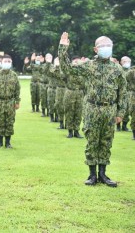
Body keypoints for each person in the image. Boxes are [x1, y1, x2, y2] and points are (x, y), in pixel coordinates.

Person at [58, 32, 127, 187]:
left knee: (106, 141)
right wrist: (63, 48)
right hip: (92, 107)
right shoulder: (89, 66)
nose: (106, 48)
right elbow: (67, 69)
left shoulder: (117, 69)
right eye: (102, 46)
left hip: (109, 109)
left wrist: (120, 113)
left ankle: (103, 174)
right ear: (95, 49)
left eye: (108, 45)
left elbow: (122, 93)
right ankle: (91, 175)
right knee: (92, 140)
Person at [64, 56, 85, 138]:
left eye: (78, 61)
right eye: (75, 61)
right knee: (69, 112)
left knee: (78, 113)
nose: (76, 62)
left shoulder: (82, 71)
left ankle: (76, 131)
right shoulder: (69, 70)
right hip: (70, 92)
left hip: (80, 93)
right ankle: (69, 131)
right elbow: (63, 75)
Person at [119, 56, 131, 132]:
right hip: (120, 93)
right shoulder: (119, 70)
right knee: (119, 109)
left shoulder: (132, 71)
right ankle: (117, 126)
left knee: (127, 110)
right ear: (121, 62)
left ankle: (124, 126)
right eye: (124, 61)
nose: (126, 63)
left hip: (129, 94)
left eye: (128, 62)